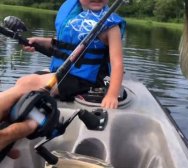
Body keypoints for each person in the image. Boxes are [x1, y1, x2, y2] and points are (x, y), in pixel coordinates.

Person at [0, 0, 125, 158]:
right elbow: (66, 45)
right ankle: (12, 135)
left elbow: (117, 63)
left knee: (28, 83)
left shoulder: (111, 25)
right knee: (23, 83)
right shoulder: (74, 12)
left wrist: (112, 95)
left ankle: (9, 134)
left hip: (84, 80)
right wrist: (41, 41)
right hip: (64, 73)